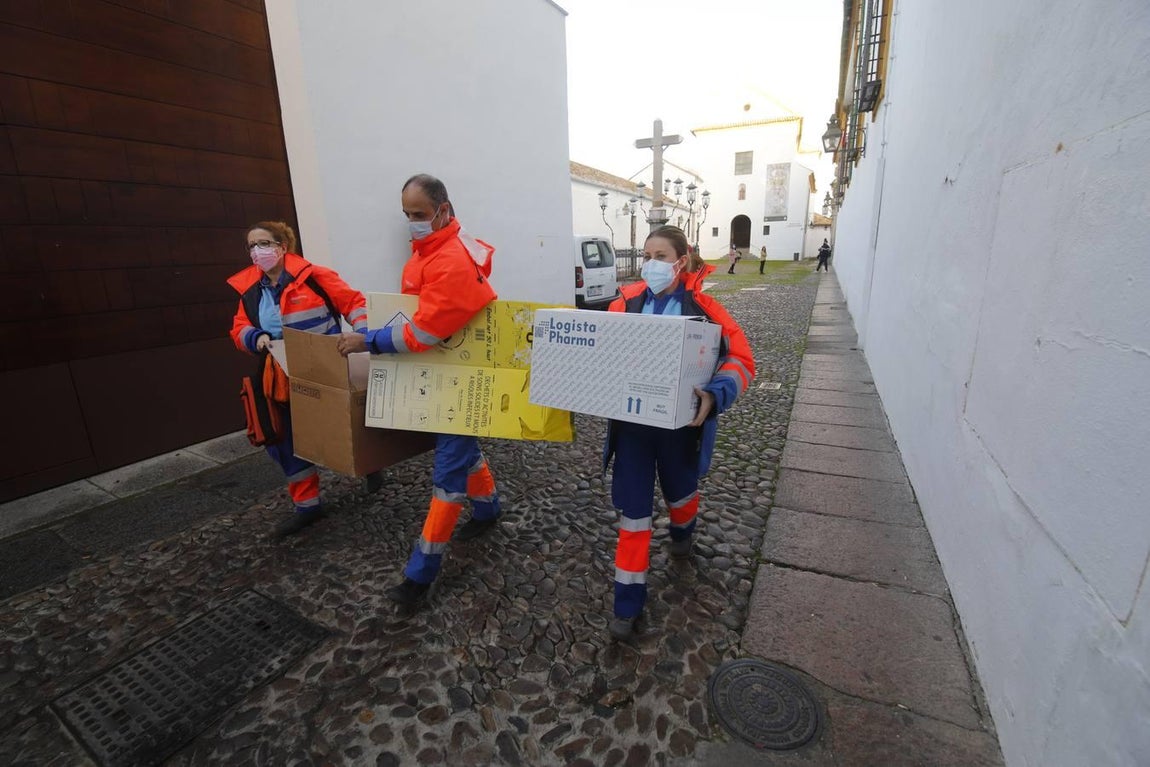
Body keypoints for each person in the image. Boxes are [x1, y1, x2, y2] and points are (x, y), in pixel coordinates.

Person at [336, 174, 502, 609]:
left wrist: (368, 339)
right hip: (445, 376)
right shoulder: (433, 250)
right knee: (462, 451)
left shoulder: (449, 259)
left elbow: (423, 334)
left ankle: (419, 576)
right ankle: (488, 508)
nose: (412, 222)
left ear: (444, 210)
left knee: (447, 477)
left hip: (457, 380)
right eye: (407, 214)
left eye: (419, 214)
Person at [603, 225, 755, 640]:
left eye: (661, 256)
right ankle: (627, 602)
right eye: (647, 256)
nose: (651, 264)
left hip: (679, 428)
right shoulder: (625, 303)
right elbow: (604, 353)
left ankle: (683, 530)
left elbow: (741, 359)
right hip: (633, 427)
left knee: (681, 491)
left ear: (681, 261)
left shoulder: (707, 309)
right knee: (633, 512)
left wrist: (716, 393)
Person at [227, 221, 369, 537]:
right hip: (276, 372)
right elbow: (238, 329)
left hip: (325, 366)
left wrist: (362, 335)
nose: (257, 251)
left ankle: (370, 465)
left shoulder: (314, 277)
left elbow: (354, 303)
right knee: (282, 436)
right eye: (251, 246)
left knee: (345, 425)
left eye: (263, 243)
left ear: (283, 246)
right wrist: (255, 337)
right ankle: (308, 505)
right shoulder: (250, 291)